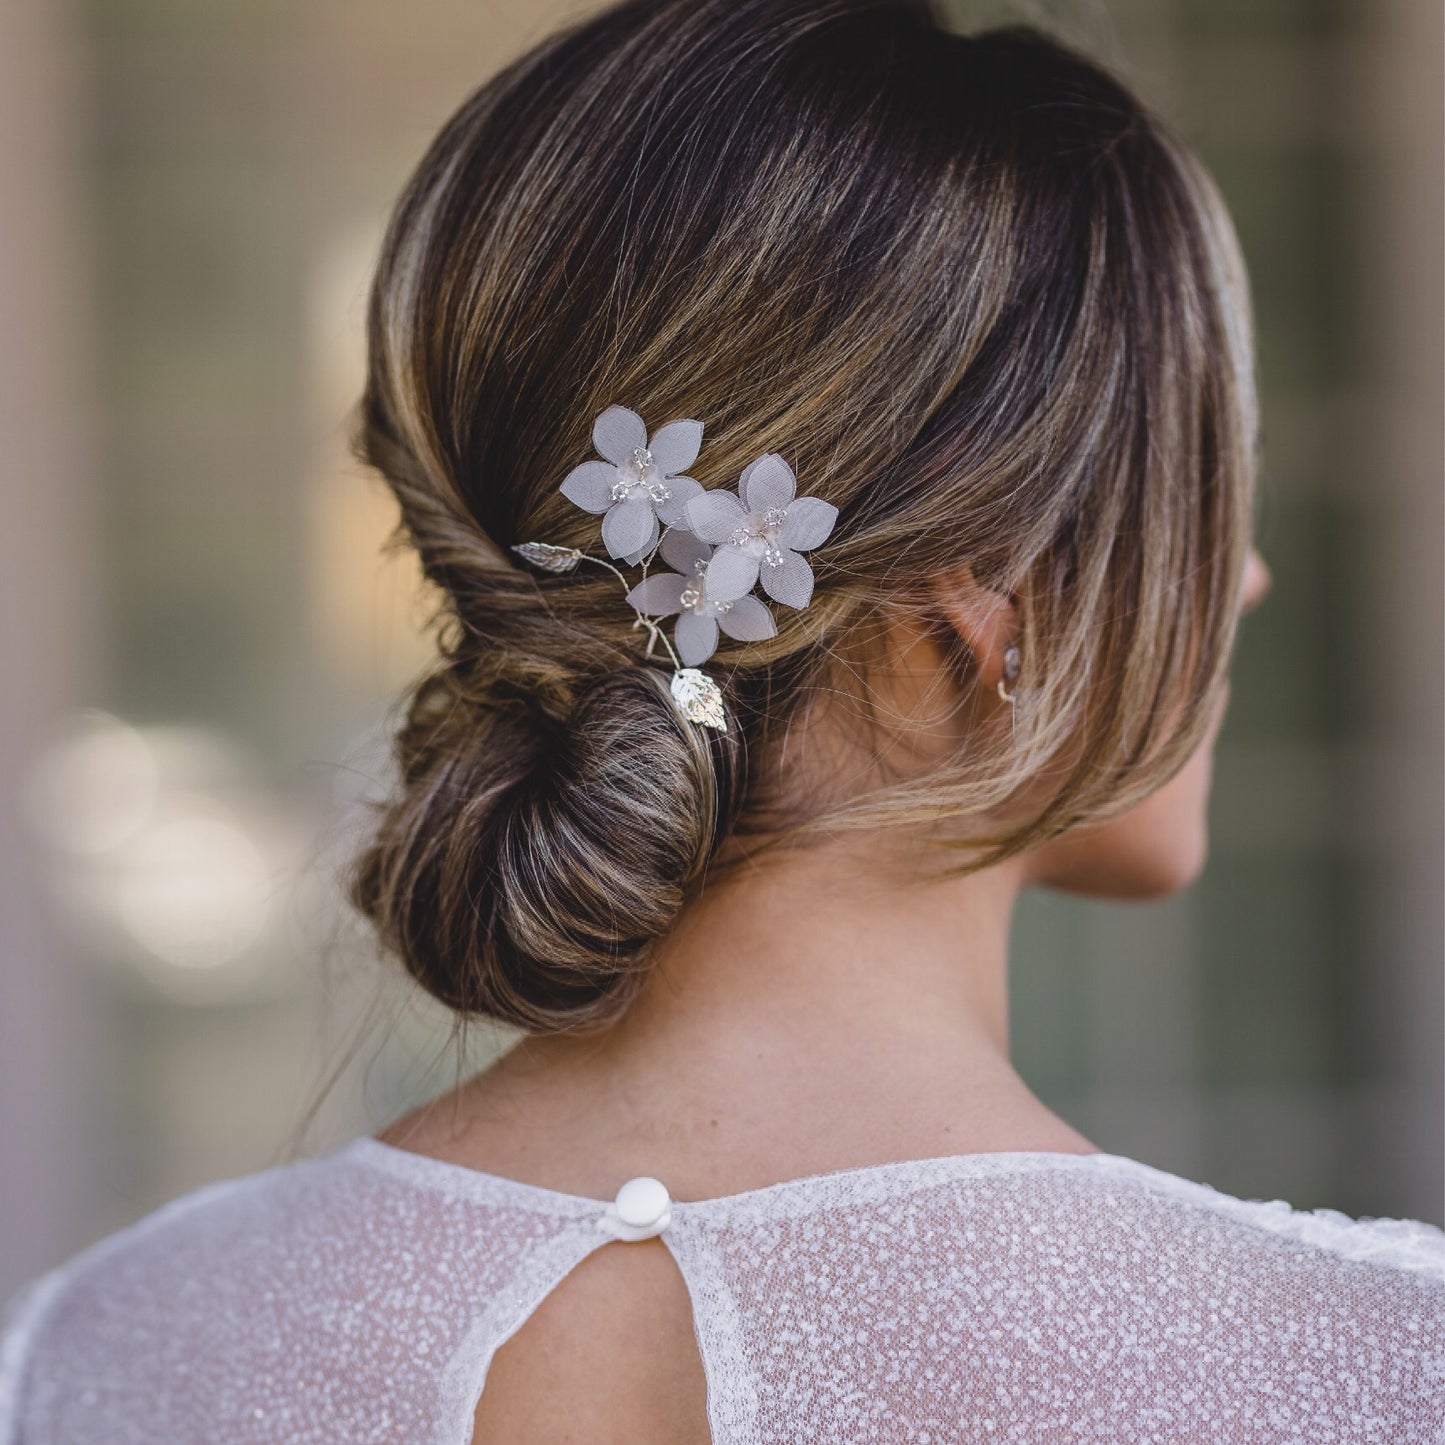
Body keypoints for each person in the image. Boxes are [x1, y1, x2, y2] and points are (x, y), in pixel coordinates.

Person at [3, 1, 1442, 1440]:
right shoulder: (1371, 1371)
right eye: (1203, 484)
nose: (1245, 576)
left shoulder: (105, 1350)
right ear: (995, 577)